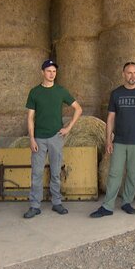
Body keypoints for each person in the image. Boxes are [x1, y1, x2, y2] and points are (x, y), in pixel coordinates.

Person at [90, 62, 135, 217]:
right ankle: (107, 206)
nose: (132, 76)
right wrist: (108, 140)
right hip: (119, 140)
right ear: (123, 74)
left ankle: (127, 202)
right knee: (114, 173)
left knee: (133, 173)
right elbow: (111, 117)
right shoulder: (116, 94)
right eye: (129, 73)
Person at [23, 59, 83, 219]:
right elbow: (30, 118)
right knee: (36, 172)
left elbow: (78, 109)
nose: (52, 74)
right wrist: (32, 139)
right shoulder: (34, 92)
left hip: (56, 136)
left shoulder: (61, 91)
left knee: (56, 171)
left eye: (54, 71)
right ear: (42, 72)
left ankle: (57, 202)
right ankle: (35, 205)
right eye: (48, 71)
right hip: (39, 138)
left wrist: (68, 128)